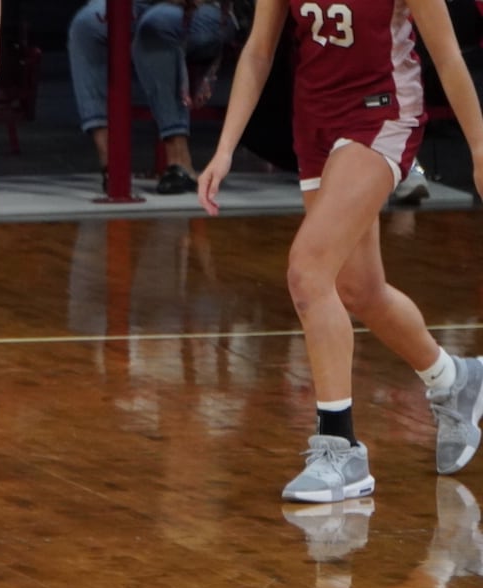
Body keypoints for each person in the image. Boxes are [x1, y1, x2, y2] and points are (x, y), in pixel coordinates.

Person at [198, 0, 483, 501]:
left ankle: (340, 447)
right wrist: (224, 149)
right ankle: (454, 379)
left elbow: (448, 58)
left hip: (384, 114)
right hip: (316, 121)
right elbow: (259, 51)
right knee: (359, 288)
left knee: (309, 272)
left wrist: (480, 149)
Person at [68, 0, 237, 195]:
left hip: (208, 9)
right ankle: (112, 166)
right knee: (86, 26)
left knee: (156, 24)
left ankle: (179, 163)